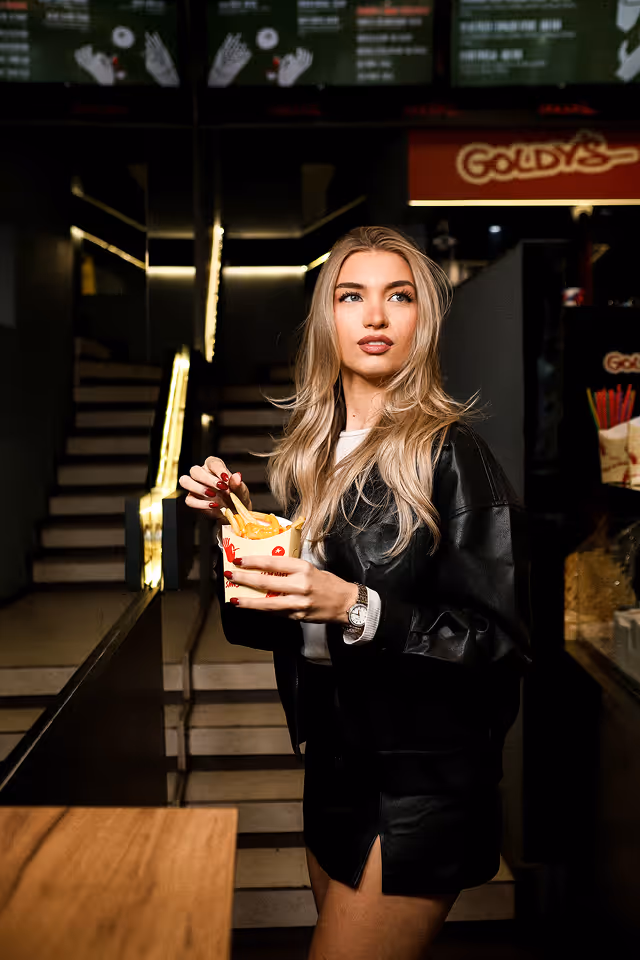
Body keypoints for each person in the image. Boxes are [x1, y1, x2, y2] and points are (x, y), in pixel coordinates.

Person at [180, 225, 531, 960]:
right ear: (326, 319)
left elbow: (500, 644)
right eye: (351, 296)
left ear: (422, 318)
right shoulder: (312, 458)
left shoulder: (454, 454)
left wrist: (355, 606)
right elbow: (267, 628)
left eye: (398, 296)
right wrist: (240, 537)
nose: (374, 316)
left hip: (422, 780)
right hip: (336, 764)